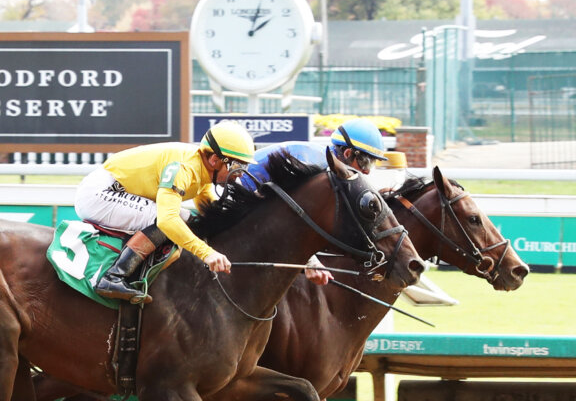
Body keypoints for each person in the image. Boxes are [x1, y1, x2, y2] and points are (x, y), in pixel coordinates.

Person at [74, 120, 256, 303]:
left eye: (244, 166)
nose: (240, 173)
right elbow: (166, 220)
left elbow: (206, 211)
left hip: (112, 190)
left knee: (187, 218)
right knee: (171, 219)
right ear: (214, 160)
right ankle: (113, 277)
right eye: (236, 166)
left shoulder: (203, 169)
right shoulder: (184, 168)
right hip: (99, 195)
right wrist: (206, 253)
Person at [241, 118, 396, 286]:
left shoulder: (326, 163)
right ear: (347, 154)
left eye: (372, 164)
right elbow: (291, 219)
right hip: (237, 190)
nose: (366, 171)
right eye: (365, 162)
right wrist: (311, 263)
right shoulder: (317, 167)